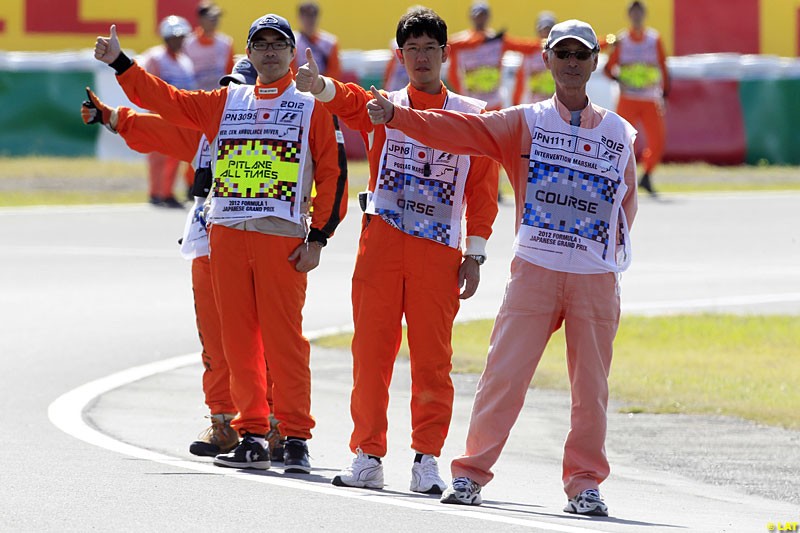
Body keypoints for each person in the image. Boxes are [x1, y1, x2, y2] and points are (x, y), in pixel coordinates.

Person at [366, 19, 638, 516]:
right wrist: (398, 118)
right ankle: (469, 474)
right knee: (502, 377)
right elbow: (461, 130)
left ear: (595, 61)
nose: (572, 63)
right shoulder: (525, 121)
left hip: (595, 278)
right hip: (535, 268)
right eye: (563, 54)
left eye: (581, 54)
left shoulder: (620, 132)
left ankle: (584, 485)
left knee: (592, 391)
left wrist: (607, 261)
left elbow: (627, 206)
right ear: (548, 61)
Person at [94, 13, 348, 473]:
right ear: (248, 52)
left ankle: (293, 437)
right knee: (237, 343)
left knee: (285, 342)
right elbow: (167, 101)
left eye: (278, 45)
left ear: (292, 53)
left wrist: (319, 237)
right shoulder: (225, 101)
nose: (269, 52)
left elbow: (333, 174)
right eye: (261, 44)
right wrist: (122, 64)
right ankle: (250, 432)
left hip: (281, 235)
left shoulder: (312, 104)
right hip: (226, 234)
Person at [295, 6, 499, 494]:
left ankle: (426, 459)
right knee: (370, 354)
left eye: (431, 48)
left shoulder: (472, 115)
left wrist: (475, 253)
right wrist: (318, 86)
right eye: (413, 50)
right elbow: (347, 100)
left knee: (433, 361)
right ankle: (367, 454)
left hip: (438, 253)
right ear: (400, 55)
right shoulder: (381, 104)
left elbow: (483, 190)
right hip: (381, 246)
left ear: (446, 54)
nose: (422, 58)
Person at [79, 59, 293, 461]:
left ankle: (278, 426)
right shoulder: (203, 135)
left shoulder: (285, 134)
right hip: (208, 247)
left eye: (241, 88)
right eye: (229, 88)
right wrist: (110, 117)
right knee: (215, 346)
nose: (233, 97)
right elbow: (154, 131)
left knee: (265, 342)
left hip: (261, 245)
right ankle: (225, 423)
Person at [604, 0, 670, 196]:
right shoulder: (622, 40)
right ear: (628, 15)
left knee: (657, 141)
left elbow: (663, 67)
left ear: (644, 14)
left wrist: (665, 92)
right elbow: (608, 68)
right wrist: (618, 79)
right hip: (628, 99)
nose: (637, 16)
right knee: (621, 141)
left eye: (639, 12)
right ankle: (618, 180)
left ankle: (647, 174)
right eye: (633, 12)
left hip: (650, 98)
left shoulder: (654, 39)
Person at [140, 15, 197, 208]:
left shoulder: (185, 62)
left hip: (179, 116)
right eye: (175, 37)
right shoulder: (155, 57)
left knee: (175, 155)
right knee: (157, 155)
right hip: (158, 113)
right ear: (166, 38)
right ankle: (155, 193)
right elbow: (146, 85)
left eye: (182, 37)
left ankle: (167, 192)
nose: (179, 41)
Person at [447, 2, 539, 111]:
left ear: (488, 17)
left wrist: (545, 42)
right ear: (471, 17)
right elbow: (443, 49)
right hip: (470, 103)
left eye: (483, 15)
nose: (480, 19)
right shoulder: (460, 42)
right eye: (477, 16)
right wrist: (461, 93)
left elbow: (523, 46)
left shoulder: (497, 40)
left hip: (494, 103)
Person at [183, 1, 235, 91]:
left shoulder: (226, 43)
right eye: (211, 17)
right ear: (200, 19)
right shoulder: (187, 44)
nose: (215, 21)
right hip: (194, 96)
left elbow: (230, 73)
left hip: (219, 96)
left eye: (217, 17)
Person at [511, 11, 556, 105]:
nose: (546, 33)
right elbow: (521, 80)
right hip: (535, 104)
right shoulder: (529, 52)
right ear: (538, 31)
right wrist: (516, 102)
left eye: (549, 30)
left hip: (555, 103)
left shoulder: (560, 52)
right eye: (544, 30)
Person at [290, 2, 341, 79]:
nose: (310, 20)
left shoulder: (330, 43)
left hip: (323, 87)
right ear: (299, 17)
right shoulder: (291, 41)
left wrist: (321, 86)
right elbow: (290, 71)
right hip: (298, 86)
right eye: (306, 15)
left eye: (313, 15)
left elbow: (334, 73)